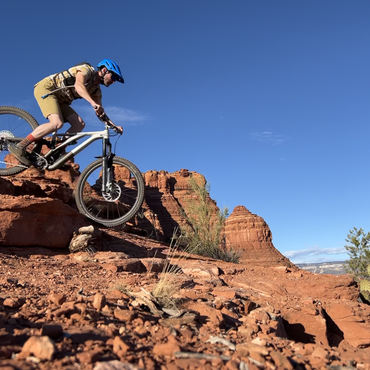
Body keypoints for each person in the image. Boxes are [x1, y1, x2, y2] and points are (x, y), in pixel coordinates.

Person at [9, 59, 124, 166]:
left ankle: (57, 150)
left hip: (61, 101)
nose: (113, 81)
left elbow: (100, 112)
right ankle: (20, 146)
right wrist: (93, 103)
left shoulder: (96, 90)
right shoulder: (86, 70)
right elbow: (78, 86)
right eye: (113, 77)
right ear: (104, 70)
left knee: (79, 124)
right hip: (48, 90)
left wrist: (114, 126)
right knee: (56, 124)